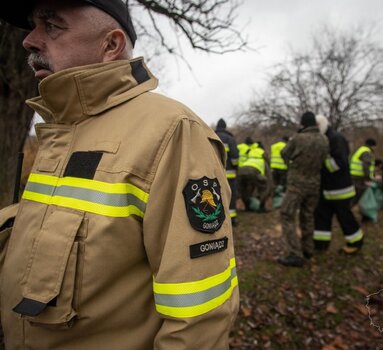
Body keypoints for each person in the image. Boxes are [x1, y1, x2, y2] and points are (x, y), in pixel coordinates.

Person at [0, 1, 239, 349]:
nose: (30, 40)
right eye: (33, 25)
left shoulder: (171, 132)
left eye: (52, 26)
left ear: (110, 45)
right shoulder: (61, 128)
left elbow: (200, 314)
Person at [277, 111, 328, 267]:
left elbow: (284, 153)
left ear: (302, 124)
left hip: (296, 185)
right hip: (314, 185)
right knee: (308, 216)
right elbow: (325, 159)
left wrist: (291, 164)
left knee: (286, 215)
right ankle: (308, 249)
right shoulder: (324, 140)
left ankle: (295, 253)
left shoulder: (298, 139)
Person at [314, 115, 363, 254]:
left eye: (316, 126)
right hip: (326, 189)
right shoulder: (321, 139)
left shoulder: (335, 138)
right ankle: (320, 244)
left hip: (340, 189)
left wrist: (320, 164)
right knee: (321, 216)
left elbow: (340, 162)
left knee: (345, 218)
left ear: (321, 124)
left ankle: (355, 243)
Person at [215, 118, 239, 225]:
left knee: (216, 195)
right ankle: (232, 219)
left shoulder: (209, 136)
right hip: (229, 174)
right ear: (225, 127)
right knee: (230, 195)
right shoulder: (230, 139)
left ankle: (217, 217)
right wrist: (235, 166)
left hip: (213, 173)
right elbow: (235, 157)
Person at [237, 141, 268, 212]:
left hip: (241, 170)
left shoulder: (250, 155)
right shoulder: (262, 160)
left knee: (244, 189)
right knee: (263, 187)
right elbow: (268, 179)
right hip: (253, 172)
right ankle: (261, 207)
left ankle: (247, 207)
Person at [350, 138, 377, 206]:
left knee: (355, 194)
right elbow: (366, 165)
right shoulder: (366, 152)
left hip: (354, 175)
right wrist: (368, 177)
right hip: (360, 177)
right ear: (372, 146)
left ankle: (349, 208)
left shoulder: (360, 149)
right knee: (360, 195)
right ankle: (349, 209)